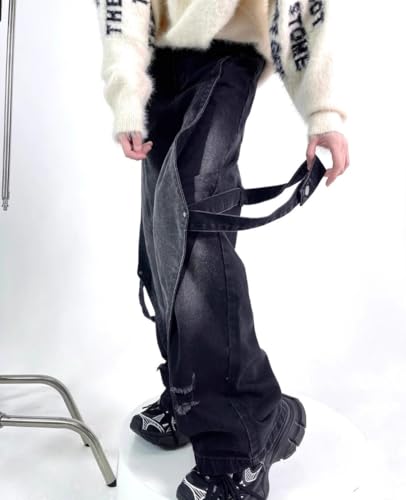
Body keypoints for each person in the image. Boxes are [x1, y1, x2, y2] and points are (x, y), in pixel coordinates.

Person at [94, 1, 349, 499]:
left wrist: (322, 108)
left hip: (227, 50)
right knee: (162, 234)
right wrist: (126, 90)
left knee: (194, 229)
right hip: (159, 54)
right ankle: (190, 395)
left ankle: (246, 433)